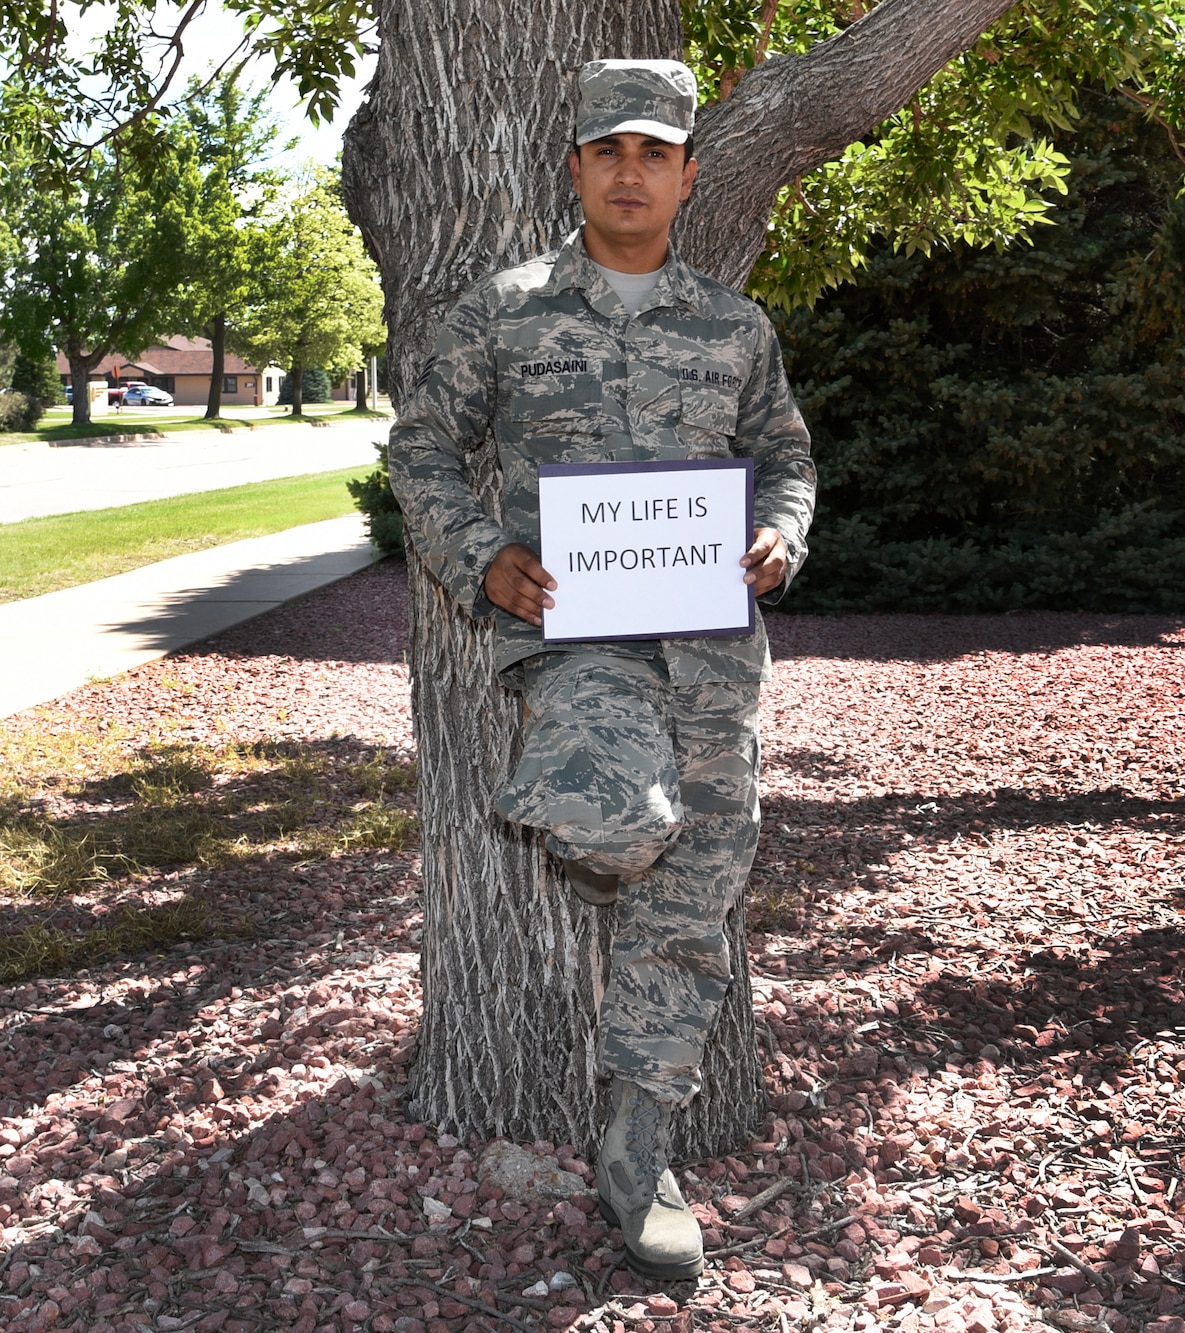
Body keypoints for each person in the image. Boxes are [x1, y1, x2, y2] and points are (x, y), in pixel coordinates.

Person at [386, 58, 816, 1283]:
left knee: (697, 892)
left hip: (713, 651)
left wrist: (782, 532)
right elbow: (423, 446)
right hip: (574, 634)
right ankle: (589, 830)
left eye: (654, 152)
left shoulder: (735, 327)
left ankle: (638, 1135)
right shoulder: (506, 307)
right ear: (573, 168)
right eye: (607, 151)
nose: (630, 172)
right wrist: (480, 558)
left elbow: (783, 455)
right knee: (610, 811)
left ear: (686, 174)